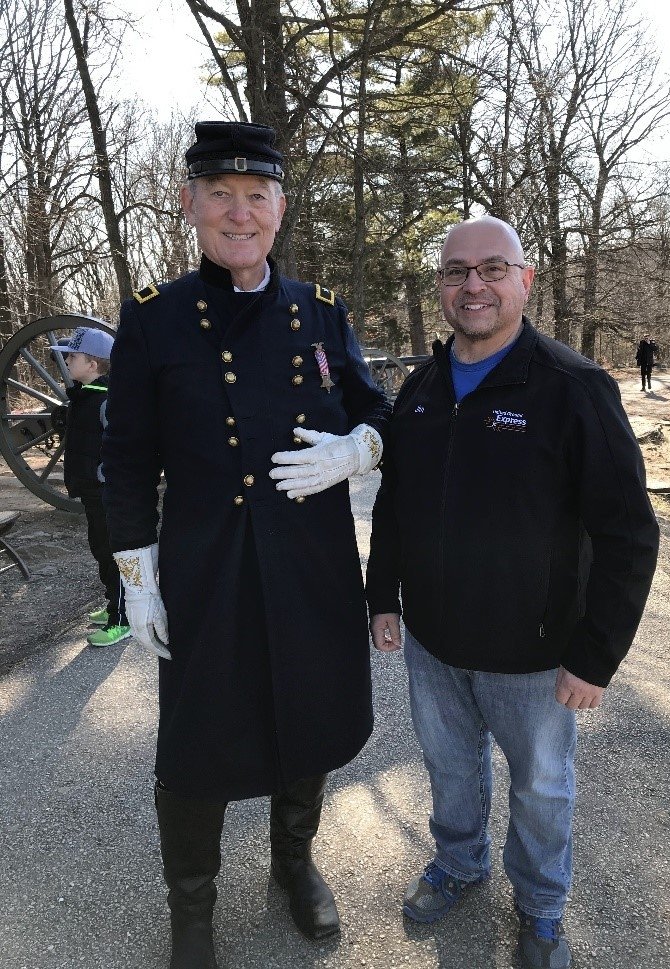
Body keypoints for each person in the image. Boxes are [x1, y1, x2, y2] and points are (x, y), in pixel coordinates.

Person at [101, 121, 390, 969]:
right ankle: (191, 907)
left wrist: (353, 451)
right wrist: (136, 574)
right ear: (189, 204)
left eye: (256, 196)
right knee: (196, 741)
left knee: (308, 714)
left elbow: (378, 412)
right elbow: (123, 460)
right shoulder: (153, 321)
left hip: (309, 566)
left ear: (280, 209)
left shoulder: (321, 312)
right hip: (207, 568)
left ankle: (294, 866)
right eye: (219, 195)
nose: (238, 212)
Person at [366, 216, 659, 969]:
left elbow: (629, 533)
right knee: (450, 769)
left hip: (534, 653)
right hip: (434, 644)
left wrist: (596, 656)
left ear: (525, 279)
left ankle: (541, 908)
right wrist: (382, 595)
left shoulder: (573, 388)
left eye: (493, 269)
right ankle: (460, 864)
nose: (473, 285)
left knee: (541, 790)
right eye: (456, 271)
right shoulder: (423, 389)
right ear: (440, 286)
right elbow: (394, 503)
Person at [49, 327, 130, 647]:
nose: (67, 361)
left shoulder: (107, 401)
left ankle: (122, 617)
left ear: (94, 365)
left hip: (106, 492)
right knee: (100, 548)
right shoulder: (85, 397)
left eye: (73, 356)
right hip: (93, 492)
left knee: (114, 553)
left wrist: (103, 475)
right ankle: (113, 600)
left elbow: (124, 448)